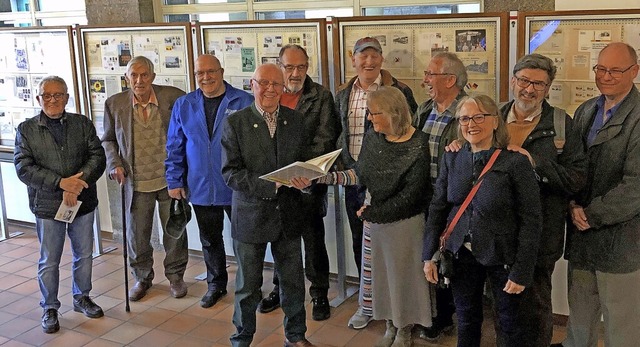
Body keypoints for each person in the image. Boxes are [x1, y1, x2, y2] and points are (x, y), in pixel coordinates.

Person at [317, 86, 433, 347]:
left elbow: (412, 196)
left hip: (405, 224)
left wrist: (371, 212)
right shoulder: (374, 137)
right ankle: (390, 324)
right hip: (375, 223)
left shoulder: (419, 144)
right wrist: (323, 177)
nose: (369, 118)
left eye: (373, 113)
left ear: (394, 113)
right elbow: (359, 174)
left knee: (404, 278)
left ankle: (404, 328)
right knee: (381, 277)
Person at [423, 95, 542, 347]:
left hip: (503, 256)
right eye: (465, 118)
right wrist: (428, 256)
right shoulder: (452, 157)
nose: (471, 124)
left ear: (495, 122)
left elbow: (531, 220)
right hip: (461, 254)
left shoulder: (515, 162)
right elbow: (438, 207)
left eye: (479, 117)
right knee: (466, 319)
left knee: (509, 322)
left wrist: (521, 271)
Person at [221, 63, 315, 347]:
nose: (270, 89)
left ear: (283, 87)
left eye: (276, 84)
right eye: (264, 83)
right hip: (251, 216)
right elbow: (230, 173)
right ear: (253, 85)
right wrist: (271, 184)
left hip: (288, 215)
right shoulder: (235, 122)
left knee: (293, 283)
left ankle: (296, 337)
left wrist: (306, 179)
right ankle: (242, 339)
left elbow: (304, 162)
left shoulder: (295, 120)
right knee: (248, 287)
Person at [555, 42, 640, 347]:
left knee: (622, 324)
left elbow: (635, 187)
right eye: (600, 68)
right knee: (579, 319)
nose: (606, 76)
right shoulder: (586, 110)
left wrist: (590, 214)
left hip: (621, 241)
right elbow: (574, 168)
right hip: (581, 236)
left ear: (635, 71)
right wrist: (572, 204)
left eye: (615, 70)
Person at [335, 36, 418, 330]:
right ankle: (367, 303)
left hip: (389, 182)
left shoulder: (399, 92)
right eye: (362, 56)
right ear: (353, 59)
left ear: (381, 59)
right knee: (362, 244)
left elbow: (409, 130)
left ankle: (395, 310)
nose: (368, 62)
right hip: (355, 178)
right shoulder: (344, 92)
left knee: (392, 249)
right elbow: (339, 131)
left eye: (374, 56)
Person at [14, 76, 106, 333]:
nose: (52, 100)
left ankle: (82, 297)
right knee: (49, 260)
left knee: (84, 254)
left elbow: (97, 156)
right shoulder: (26, 129)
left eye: (58, 95)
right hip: (47, 204)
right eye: (47, 95)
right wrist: (60, 183)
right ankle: (50, 307)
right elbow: (23, 167)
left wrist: (78, 184)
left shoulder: (82, 124)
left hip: (82, 202)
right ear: (38, 99)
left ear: (67, 97)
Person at [257, 44, 340, 320]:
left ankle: (319, 294)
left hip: (308, 183)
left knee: (314, 241)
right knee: (280, 242)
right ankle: (281, 290)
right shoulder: (270, 93)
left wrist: (300, 171)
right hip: (277, 185)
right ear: (279, 66)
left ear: (308, 67)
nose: (295, 73)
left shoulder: (321, 96)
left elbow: (325, 138)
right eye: (289, 67)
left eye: (301, 67)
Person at [165, 54, 253, 308]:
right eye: (200, 73)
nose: (206, 77)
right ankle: (216, 284)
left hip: (237, 187)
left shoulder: (243, 101)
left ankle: (249, 286)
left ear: (222, 71)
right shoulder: (184, 104)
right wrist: (174, 180)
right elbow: (174, 146)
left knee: (245, 241)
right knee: (209, 239)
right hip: (201, 186)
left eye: (211, 72)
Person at [102, 56, 187, 302]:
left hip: (170, 181)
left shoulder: (173, 98)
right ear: (126, 77)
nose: (139, 80)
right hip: (136, 183)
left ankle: (176, 277)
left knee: (175, 231)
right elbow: (108, 139)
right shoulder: (115, 104)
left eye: (144, 75)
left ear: (153, 76)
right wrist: (114, 163)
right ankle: (142, 277)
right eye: (133, 75)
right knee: (137, 234)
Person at [414, 51, 468, 340]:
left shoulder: (468, 112)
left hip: (456, 200)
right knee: (431, 256)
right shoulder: (425, 109)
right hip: (428, 198)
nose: (425, 80)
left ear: (450, 79)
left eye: (430, 75)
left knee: (453, 260)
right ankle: (438, 316)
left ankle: (453, 318)